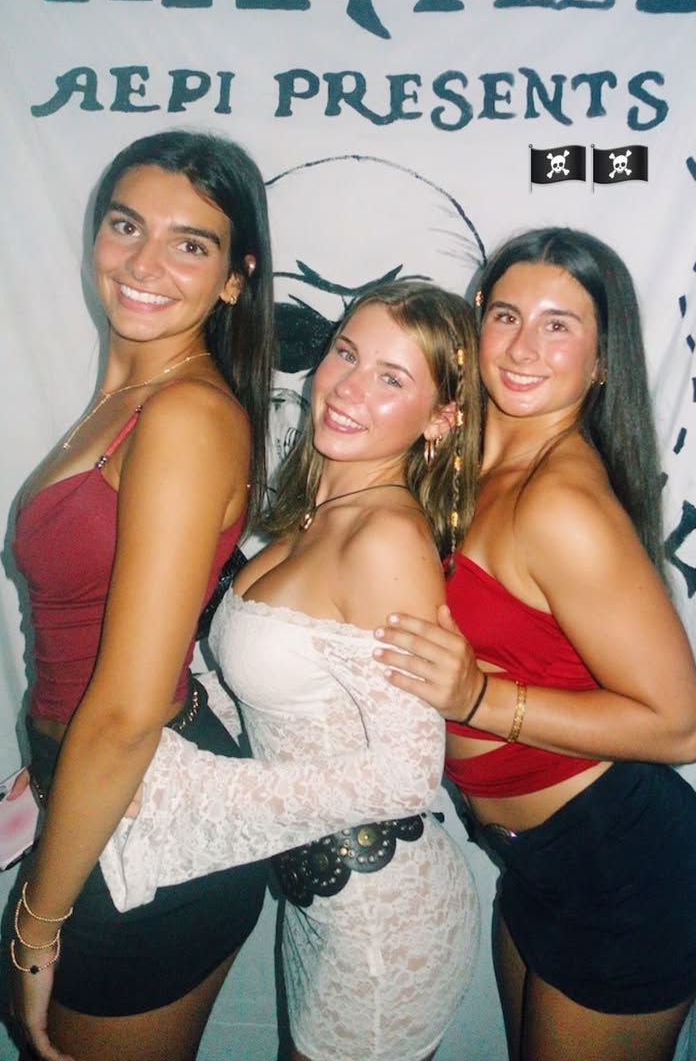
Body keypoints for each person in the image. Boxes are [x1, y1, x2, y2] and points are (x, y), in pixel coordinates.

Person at [101, 280, 483, 1061]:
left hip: (383, 927)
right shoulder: (311, 517)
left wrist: (188, 787)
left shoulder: (385, 539)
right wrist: (123, 735)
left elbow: (408, 776)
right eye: (347, 353)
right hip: (322, 898)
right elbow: (274, 698)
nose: (348, 386)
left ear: (440, 421)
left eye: (391, 377)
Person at [374, 227, 696, 1061]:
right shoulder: (476, 463)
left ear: (601, 361)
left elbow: (680, 728)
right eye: (505, 316)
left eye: (558, 325)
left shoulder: (559, 501)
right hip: (537, 864)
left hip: (624, 877)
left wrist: (480, 699)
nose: (523, 347)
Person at [9, 129, 274, 1061]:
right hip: (95, 794)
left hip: (145, 827)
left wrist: (34, 929)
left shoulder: (186, 414)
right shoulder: (127, 399)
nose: (143, 263)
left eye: (189, 243)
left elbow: (125, 710)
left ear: (235, 279)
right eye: (126, 226)